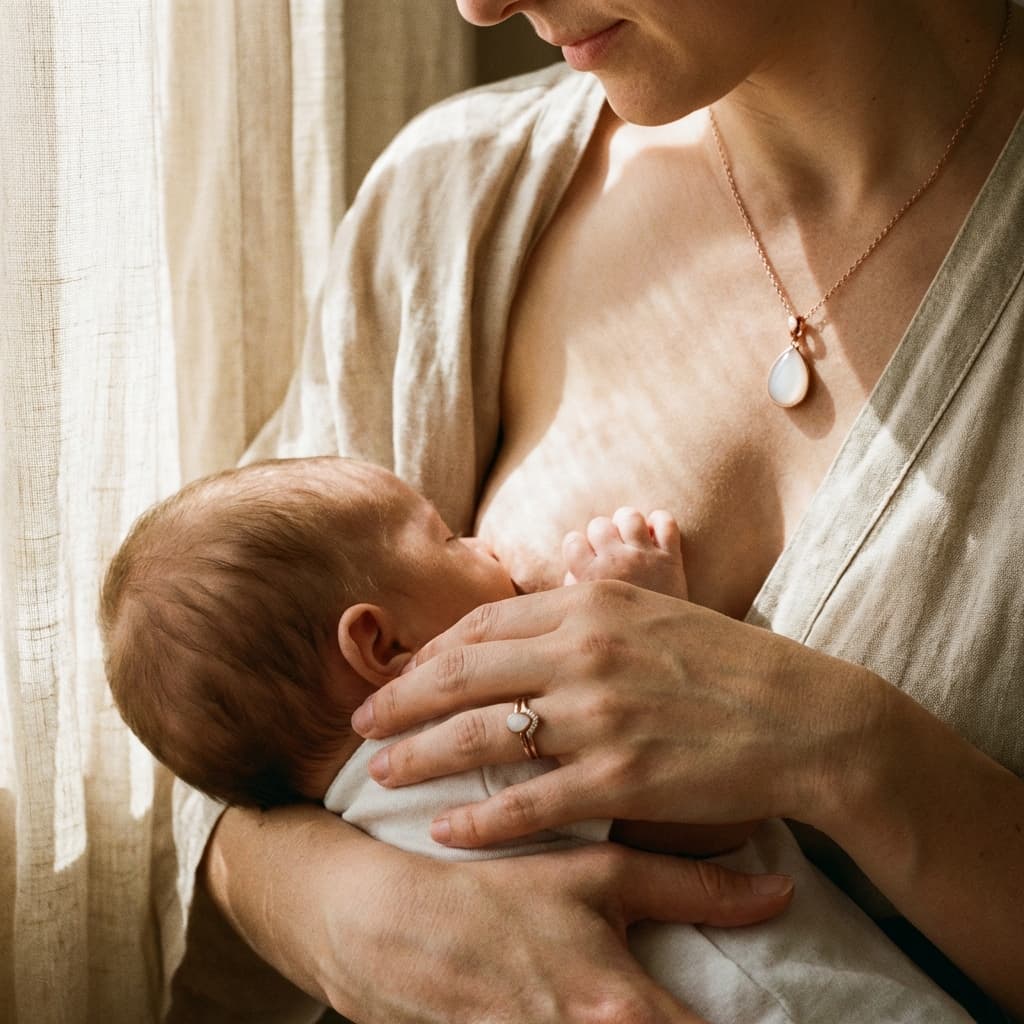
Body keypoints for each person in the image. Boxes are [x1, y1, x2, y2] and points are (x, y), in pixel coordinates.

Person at [190, 2, 1024, 1021]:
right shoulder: (454, 197)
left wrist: (845, 748)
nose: (481, 6)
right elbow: (222, 746)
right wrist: (343, 913)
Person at [103, 455, 968, 1022]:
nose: (483, 542)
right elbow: (698, 821)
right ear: (381, 646)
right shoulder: (477, 743)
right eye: (446, 537)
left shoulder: (356, 815)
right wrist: (659, 613)